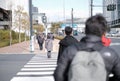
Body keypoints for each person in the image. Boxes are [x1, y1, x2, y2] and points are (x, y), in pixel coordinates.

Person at [54, 14, 120, 81]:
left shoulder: (71, 50)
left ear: (86, 30)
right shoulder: (110, 54)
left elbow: (58, 75)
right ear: (103, 32)